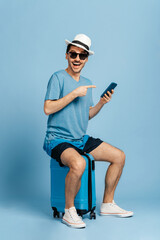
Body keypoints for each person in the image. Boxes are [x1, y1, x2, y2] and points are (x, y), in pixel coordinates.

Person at [43, 34, 133, 229]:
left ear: (86, 59)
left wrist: (101, 103)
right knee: (78, 162)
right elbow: (48, 108)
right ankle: (69, 211)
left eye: (82, 56)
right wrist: (74, 93)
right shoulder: (58, 77)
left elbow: (86, 115)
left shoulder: (87, 82)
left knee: (119, 156)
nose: (77, 59)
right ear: (66, 55)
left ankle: (108, 204)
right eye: (73, 54)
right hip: (57, 139)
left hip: (79, 139)